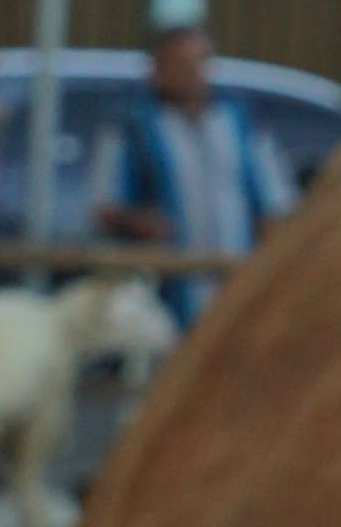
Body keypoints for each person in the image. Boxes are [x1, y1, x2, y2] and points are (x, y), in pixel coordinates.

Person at [87, 22, 294, 323]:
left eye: (199, 62)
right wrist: (138, 221)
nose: (192, 72)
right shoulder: (133, 126)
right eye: (180, 63)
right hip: (168, 290)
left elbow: (275, 203)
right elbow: (105, 205)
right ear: (157, 68)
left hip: (236, 277)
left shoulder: (240, 121)